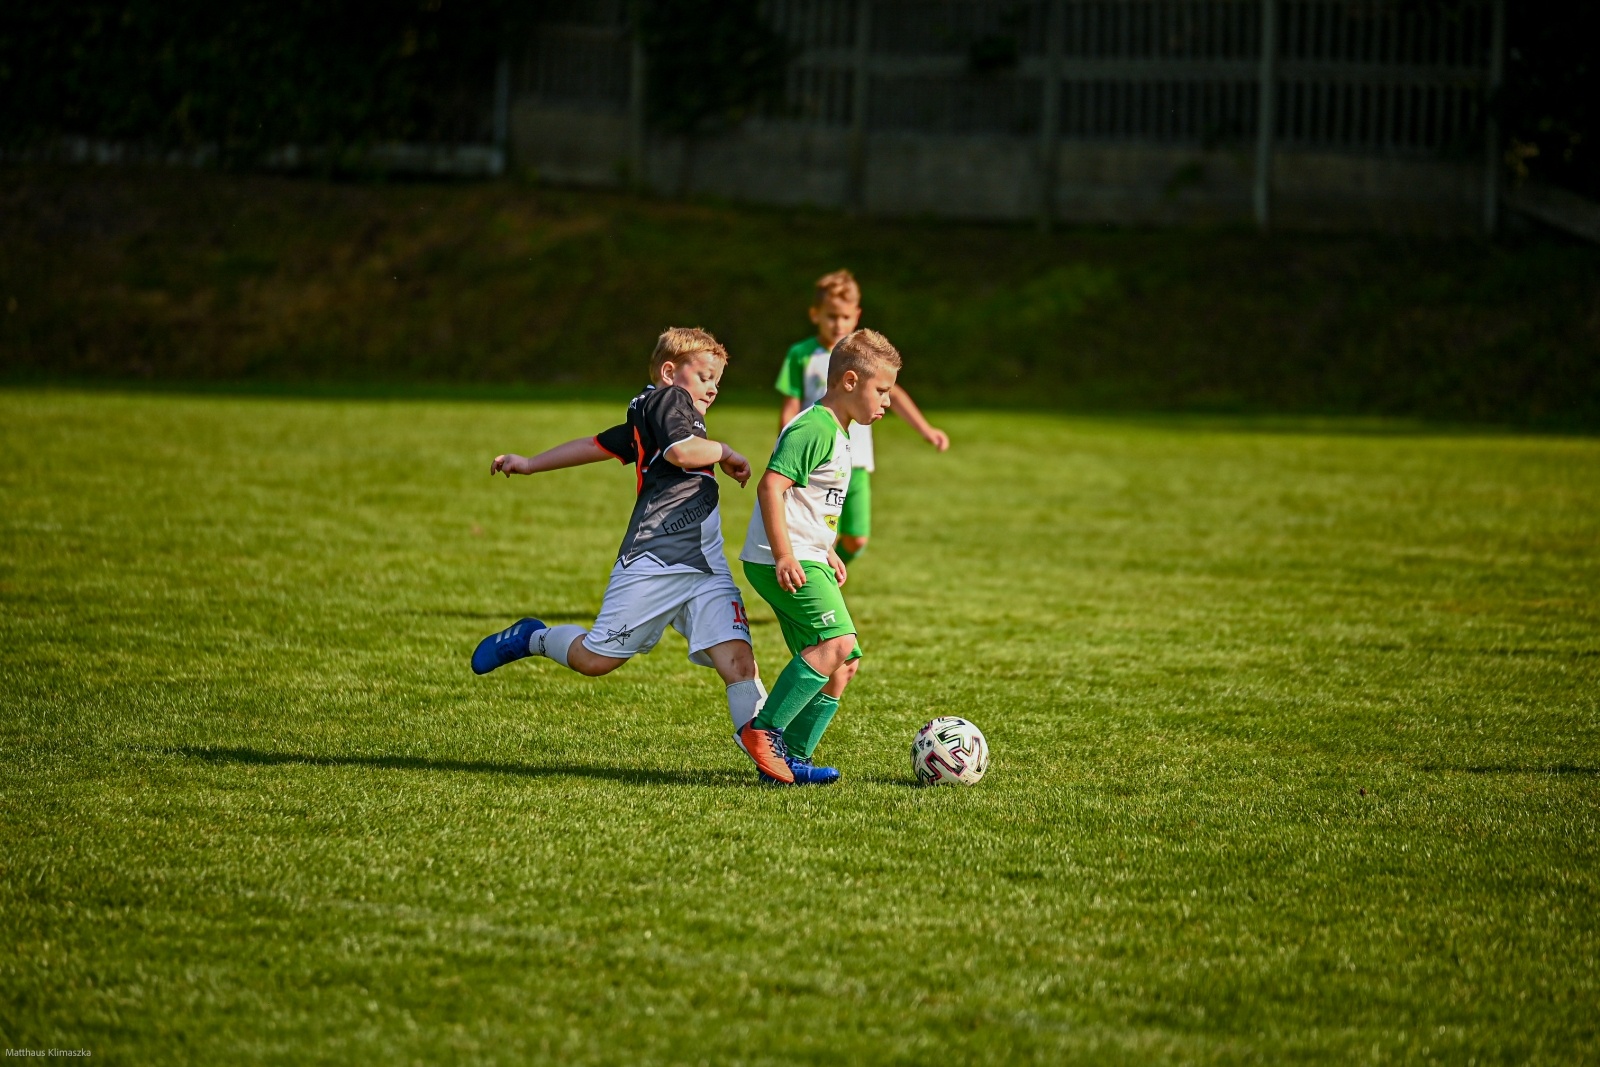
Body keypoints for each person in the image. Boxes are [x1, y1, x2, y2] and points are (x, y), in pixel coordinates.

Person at [470, 327, 769, 740]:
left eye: (717, 381)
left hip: (705, 564)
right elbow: (682, 452)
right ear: (669, 372)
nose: (713, 388)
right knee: (594, 660)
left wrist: (531, 463)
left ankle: (774, 757)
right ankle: (533, 638)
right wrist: (727, 451)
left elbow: (596, 444)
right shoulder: (669, 400)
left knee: (739, 662)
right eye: (705, 377)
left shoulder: (652, 413)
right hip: (658, 557)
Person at [736, 329, 902, 786]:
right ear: (850, 381)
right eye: (881, 390)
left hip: (807, 554)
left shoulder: (840, 431)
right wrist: (787, 555)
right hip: (780, 558)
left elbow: (808, 501)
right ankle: (763, 731)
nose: (887, 401)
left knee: (842, 665)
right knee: (838, 643)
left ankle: (790, 760)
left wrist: (825, 548)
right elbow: (771, 487)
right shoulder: (813, 427)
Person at [774, 269, 949, 566]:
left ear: (856, 316)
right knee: (822, 535)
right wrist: (787, 444)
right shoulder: (801, 354)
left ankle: (829, 575)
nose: (838, 324)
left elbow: (894, 395)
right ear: (815, 314)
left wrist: (926, 429)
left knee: (856, 539)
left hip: (856, 461)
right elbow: (791, 405)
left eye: (845, 317)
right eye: (831, 316)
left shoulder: (864, 357)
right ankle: (815, 577)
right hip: (819, 459)